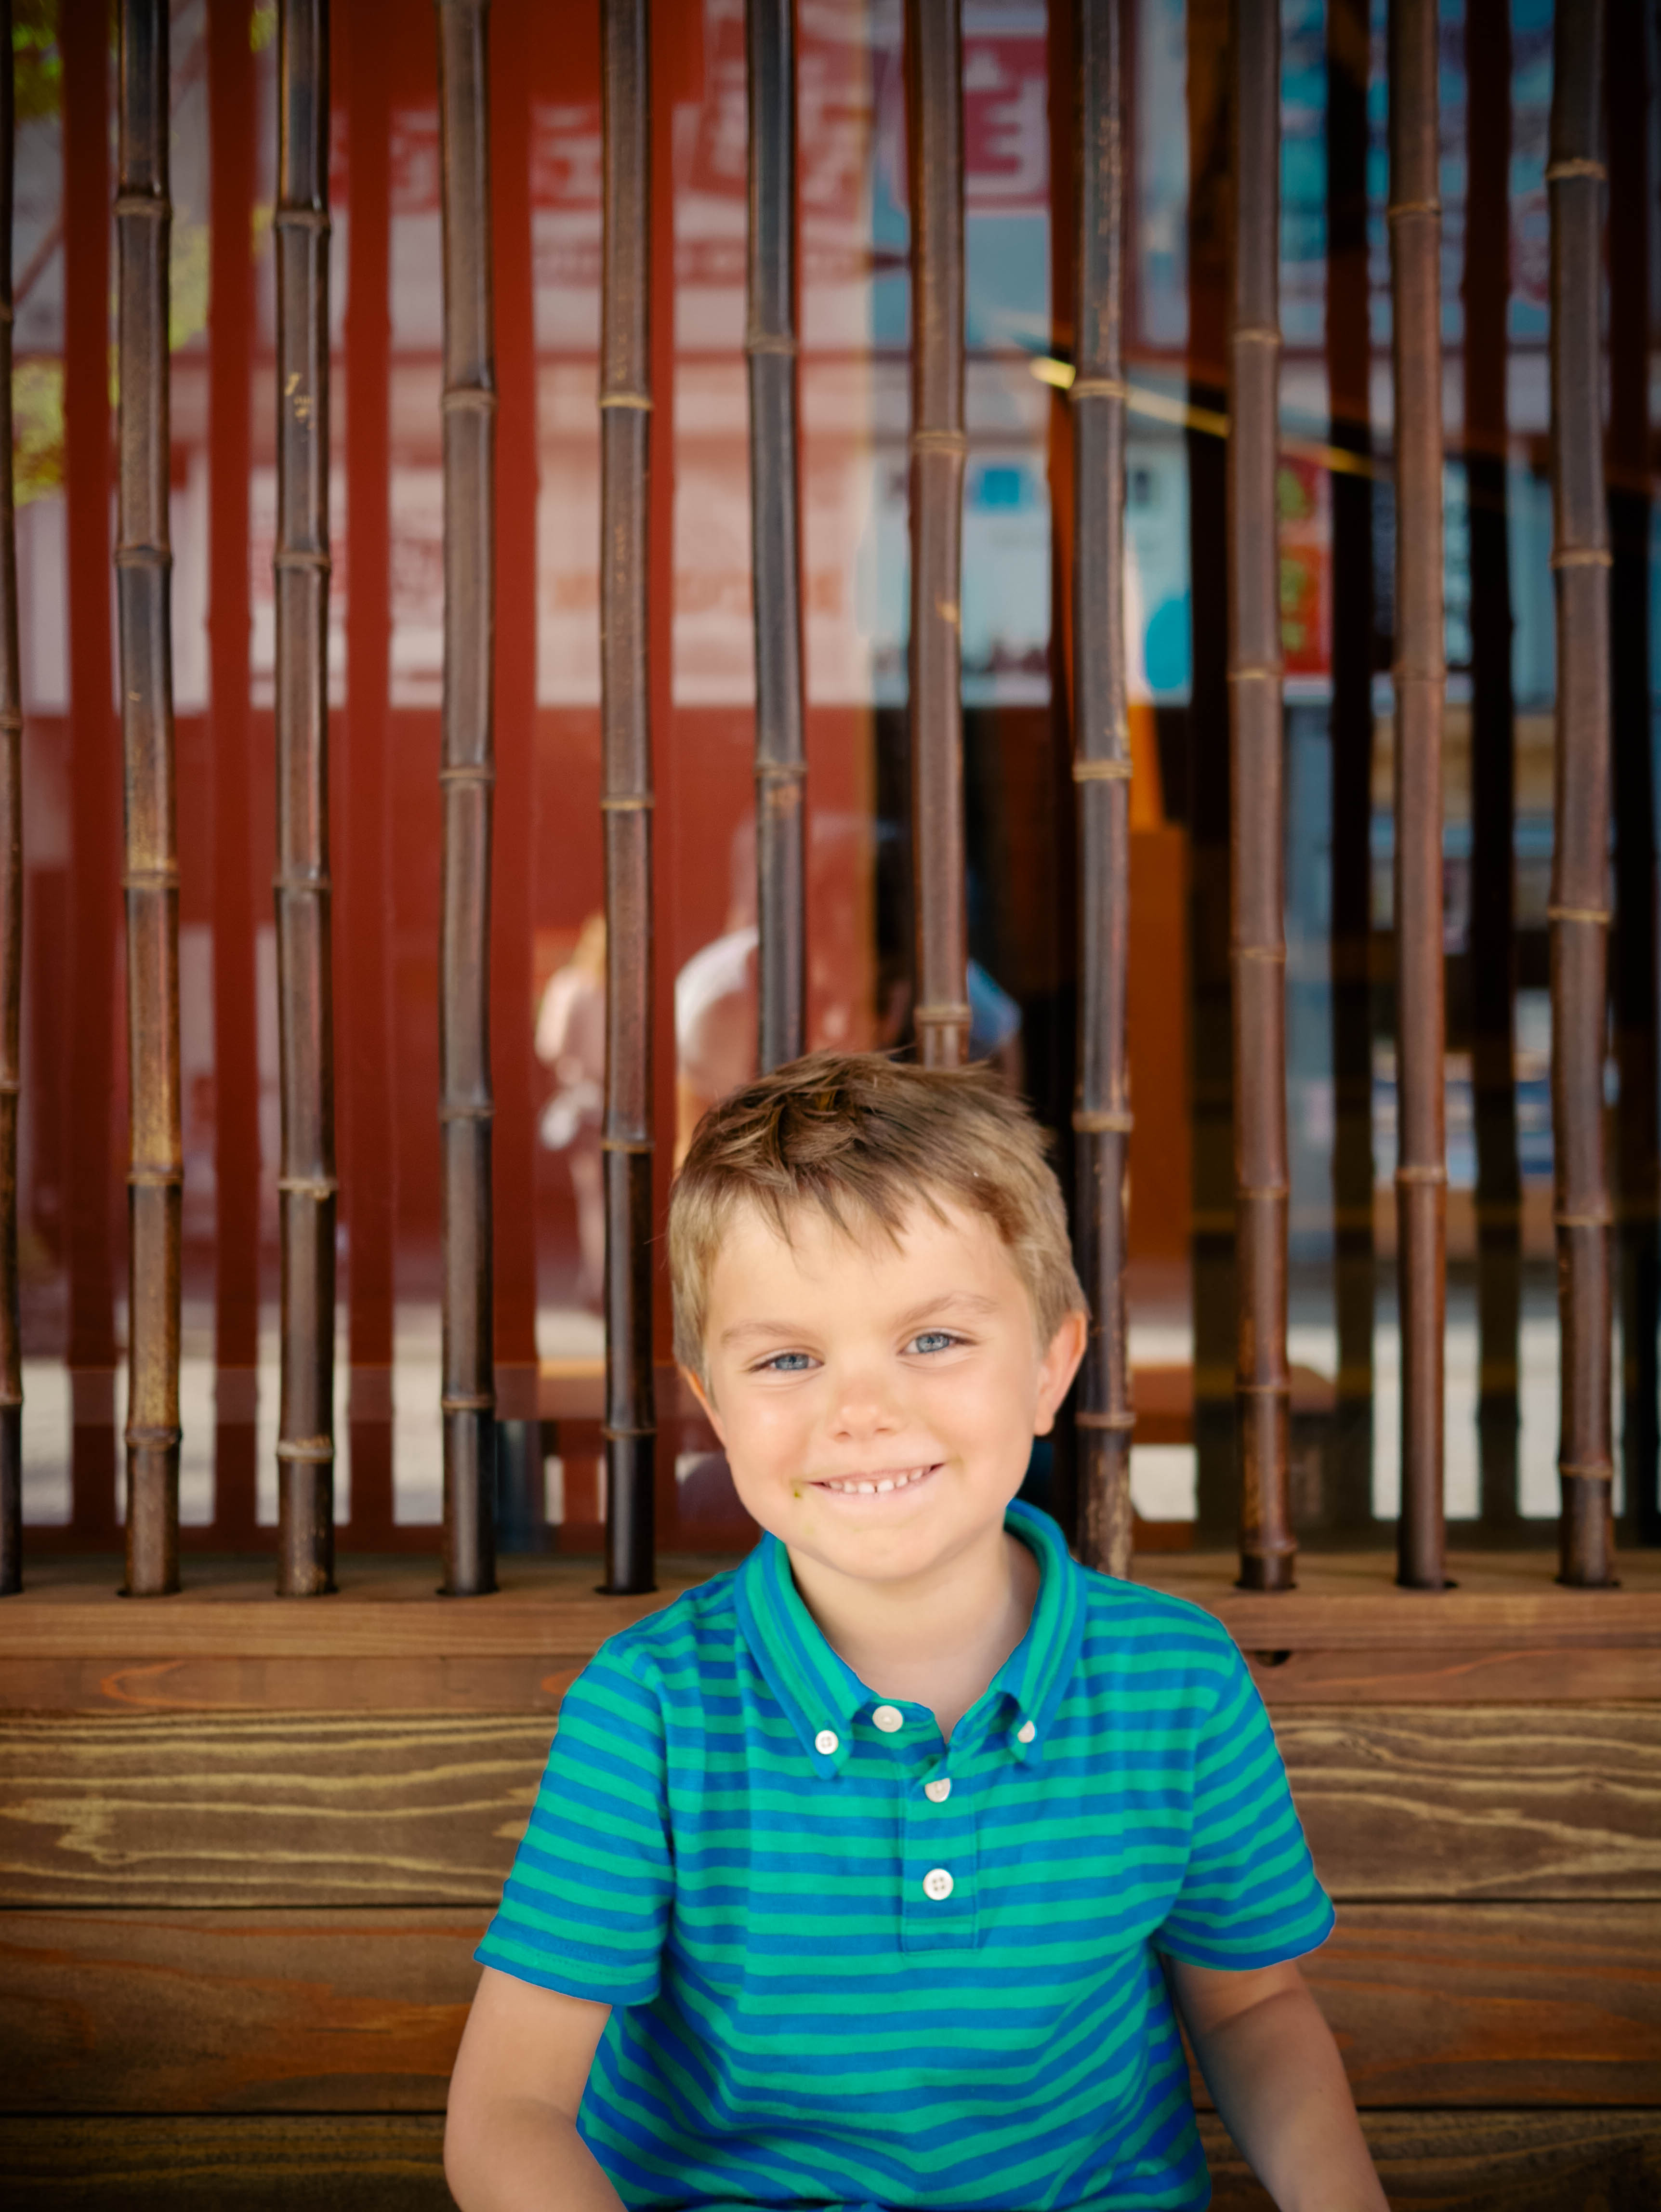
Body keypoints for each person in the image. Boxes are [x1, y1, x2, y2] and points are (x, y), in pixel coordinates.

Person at [445, 1053, 1387, 2212]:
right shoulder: (649, 1710)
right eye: (788, 1359)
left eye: (932, 1339)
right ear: (713, 1402)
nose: (861, 1411)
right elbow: (507, 2114)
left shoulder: (1178, 1684)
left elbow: (1252, 2006)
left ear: (1049, 1368)